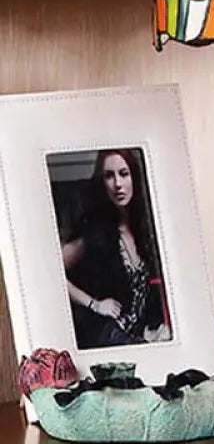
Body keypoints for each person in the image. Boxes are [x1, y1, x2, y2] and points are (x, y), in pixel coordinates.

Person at [60, 149, 168, 349]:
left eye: (124, 174)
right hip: (108, 336)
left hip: (140, 334)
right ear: (102, 183)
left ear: (134, 178)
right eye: (109, 176)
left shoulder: (146, 228)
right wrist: (94, 304)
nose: (117, 183)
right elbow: (52, 271)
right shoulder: (95, 231)